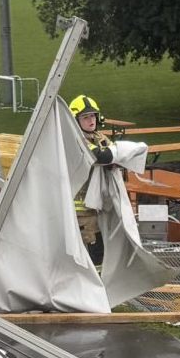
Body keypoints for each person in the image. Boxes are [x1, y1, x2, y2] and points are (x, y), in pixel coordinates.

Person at [68, 93, 115, 269]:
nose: (91, 121)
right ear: (75, 121)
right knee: (91, 256)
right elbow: (102, 156)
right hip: (80, 213)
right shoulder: (75, 141)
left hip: (99, 209)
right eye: (85, 117)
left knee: (101, 254)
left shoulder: (100, 138)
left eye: (93, 116)